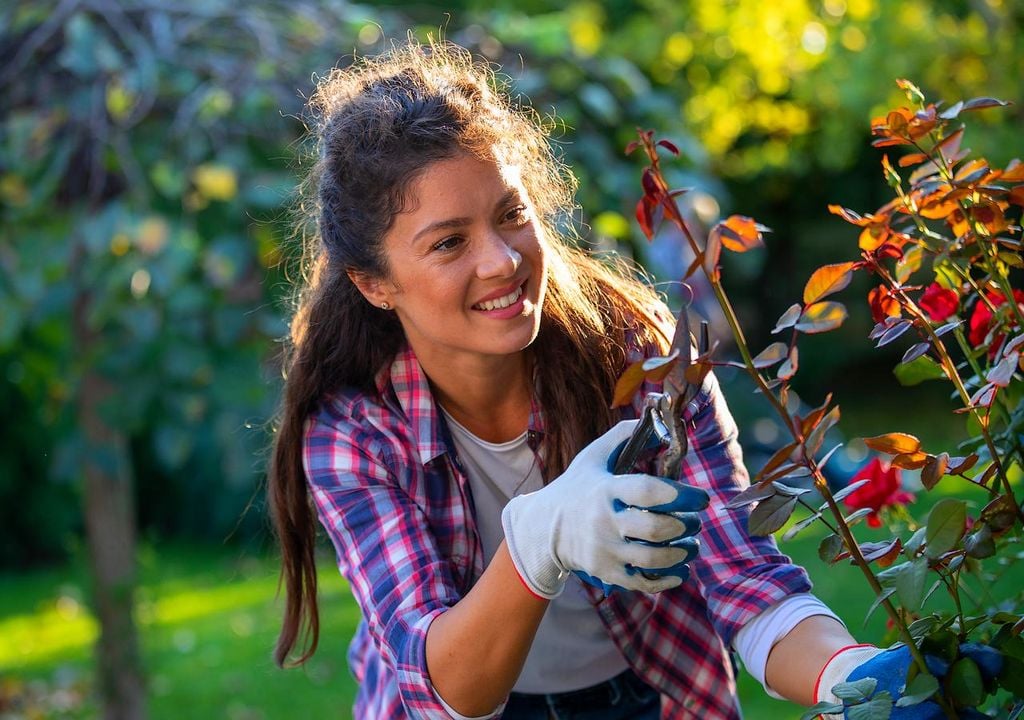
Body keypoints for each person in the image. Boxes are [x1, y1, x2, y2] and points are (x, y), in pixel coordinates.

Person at [268, 40, 932, 720]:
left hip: (645, 695)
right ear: (375, 284)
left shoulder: (640, 359)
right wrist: (538, 539)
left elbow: (744, 579)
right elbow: (444, 688)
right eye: (448, 242)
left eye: (510, 215)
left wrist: (850, 675)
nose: (501, 261)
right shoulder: (354, 428)